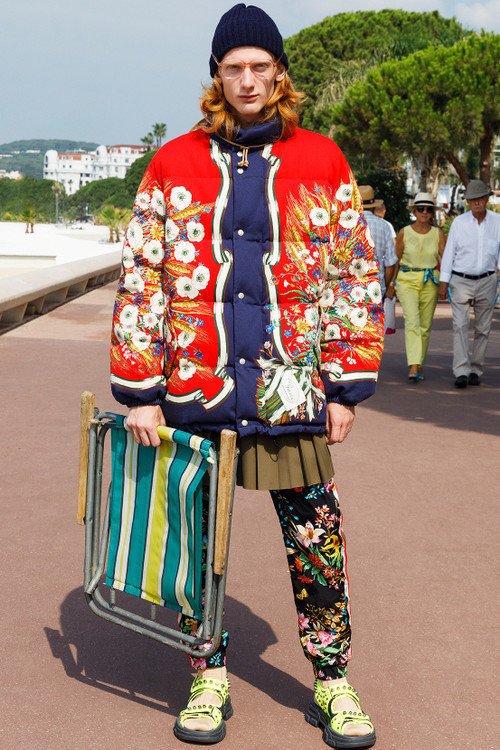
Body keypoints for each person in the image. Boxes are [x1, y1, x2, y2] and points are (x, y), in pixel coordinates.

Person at [110, 5, 383, 747]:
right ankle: (207, 673)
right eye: (234, 68)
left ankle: (332, 679)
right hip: (195, 386)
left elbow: (353, 276)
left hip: (291, 387)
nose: (248, 80)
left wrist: (346, 387)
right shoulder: (173, 164)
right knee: (197, 540)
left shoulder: (323, 160)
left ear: (279, 73)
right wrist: (140, 391)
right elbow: (142, 277)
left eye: (260, 66)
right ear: (217, 76)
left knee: (317, 537)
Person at [438, 179, 500, 388]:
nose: (476, 203)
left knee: (483, 329)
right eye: (472, 200)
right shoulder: (459, 223)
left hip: (487, 279)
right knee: (460, 326)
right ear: (468, 202)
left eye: (479, 199)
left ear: (486, 199)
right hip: (461, 279)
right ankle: (461, 370)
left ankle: (476, 369)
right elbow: (449, 253)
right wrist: (444, 281)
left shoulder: (498, 222)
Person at [386, 193, 445, 382]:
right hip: (407, 280)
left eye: (428, 209)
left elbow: (446, 260)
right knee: (412, 322)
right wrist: (392, 284)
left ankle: (419, 364)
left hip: (431, 280)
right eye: (421, 209)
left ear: (432, 213)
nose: (424, 212)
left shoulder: (438, 233)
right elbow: (396, 260)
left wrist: (445, 284)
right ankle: (413, 365)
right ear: (414, 211)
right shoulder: (404, 232)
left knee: (425, 326)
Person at [359, 185, 397, 298]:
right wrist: (385, 285)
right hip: (376, 286)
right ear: (373, 206)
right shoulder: (385, 226)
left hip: (351, 287)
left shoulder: (345, 225)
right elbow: (390, 263)